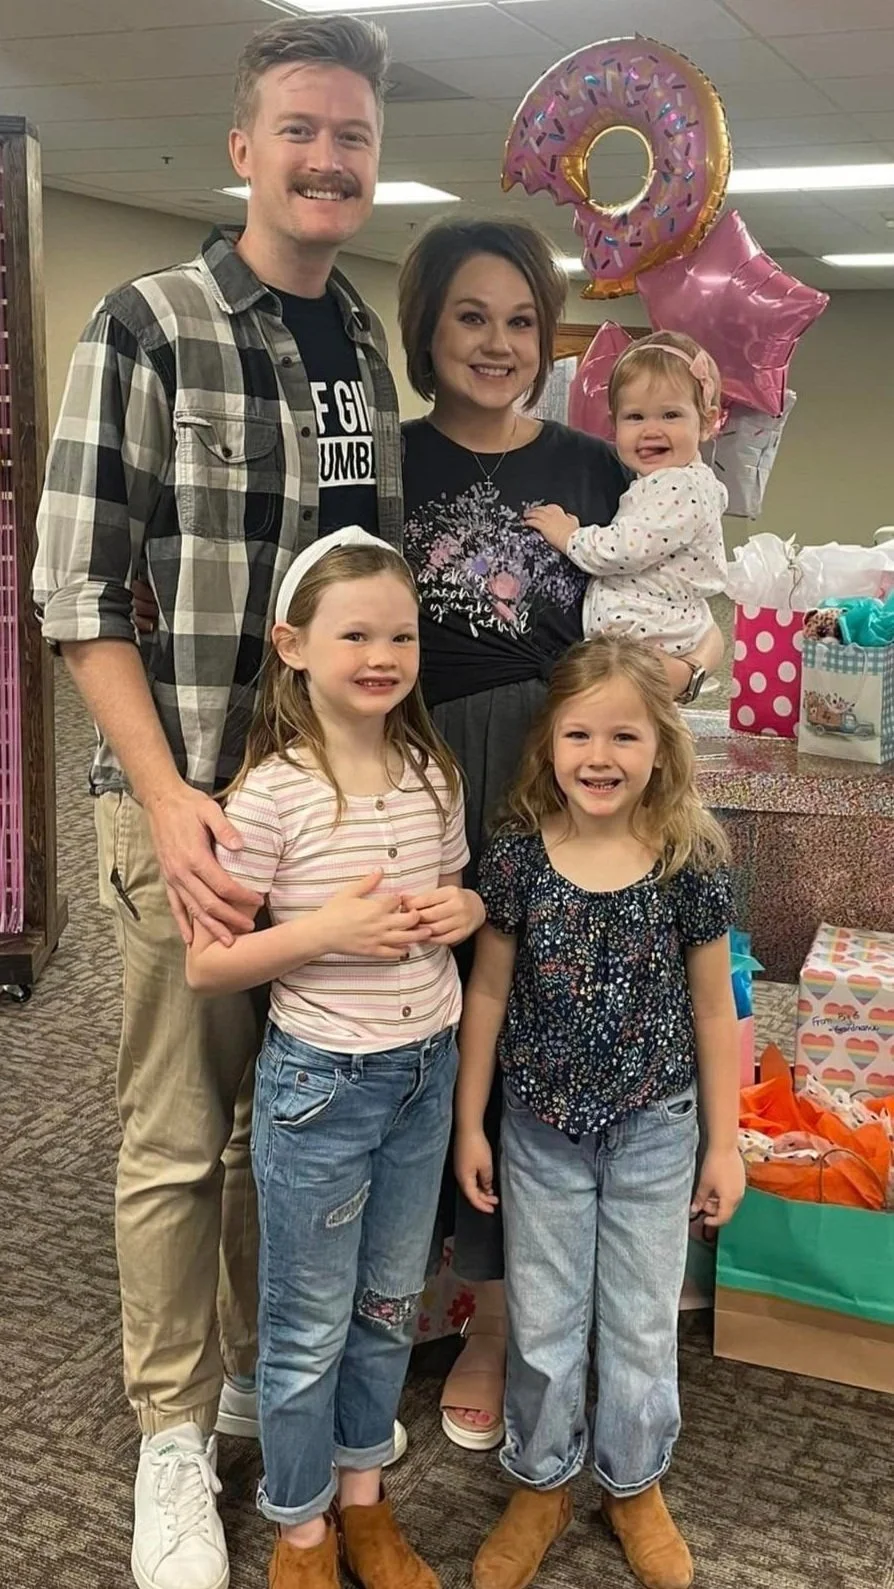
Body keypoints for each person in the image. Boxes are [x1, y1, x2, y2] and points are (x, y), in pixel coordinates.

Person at [32, 15, 406, 1589]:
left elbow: (370, 597)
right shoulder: (146, 322)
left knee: (290, 1123)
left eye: (352, 136)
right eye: (298, 130)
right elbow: (73, 593)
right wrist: (170, 800)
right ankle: (171, 1438)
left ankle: (261, 1374)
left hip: (325, 818)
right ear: (244, 148)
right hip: (182, 804)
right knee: (180, 1140)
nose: (328, 158)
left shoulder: (366, 344)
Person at [396, 218, 725, 1452]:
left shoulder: (600, 463)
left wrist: (688, 672)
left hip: (567, 773)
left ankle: (495, 1319)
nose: (497, 342)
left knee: (538, 1030)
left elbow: (697, 603)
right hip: (425, 770)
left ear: (550, 337)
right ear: (427, 325)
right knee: (429, 1020)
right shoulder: (389, 461)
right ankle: (404, 1286)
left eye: (522, 320)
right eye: (470, 315)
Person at [186, 528, 482, 1589]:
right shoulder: (271, 793)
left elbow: (456, 894)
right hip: (322, 1088)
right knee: (308, 1322)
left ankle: (365, 1502)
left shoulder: (431, 772)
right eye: (355, 634)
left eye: (400, 635)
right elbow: (209, 963)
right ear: (293, 644)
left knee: (390, 1303)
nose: (382, 654)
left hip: (423, 1074)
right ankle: (300, 1527)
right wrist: (327, 932)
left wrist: (467, 908)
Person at [454, 636, 746, 1589]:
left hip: (656, 1130)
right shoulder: (517, 857)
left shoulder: (689, 860)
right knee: (543, 1320)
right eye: (580, 733)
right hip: (539, 1131)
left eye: (625, 735)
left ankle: (633, 1481)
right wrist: (469, 1122)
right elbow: (487, 993)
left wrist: (725, 1143)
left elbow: (716, 1009)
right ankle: (541, 1480)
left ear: (661, 745)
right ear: (549, 743)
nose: (600, 756)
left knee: (638, 1321)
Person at [524, 331, 728, 661]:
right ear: (614, 424)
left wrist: (570, 537)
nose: (651, 430)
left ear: (707, 422)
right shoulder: (663, 482)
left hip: (646, 643)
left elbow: (625, 550)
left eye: (670, 415)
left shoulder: (680, 486)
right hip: (645, 635)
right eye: (635, 417)